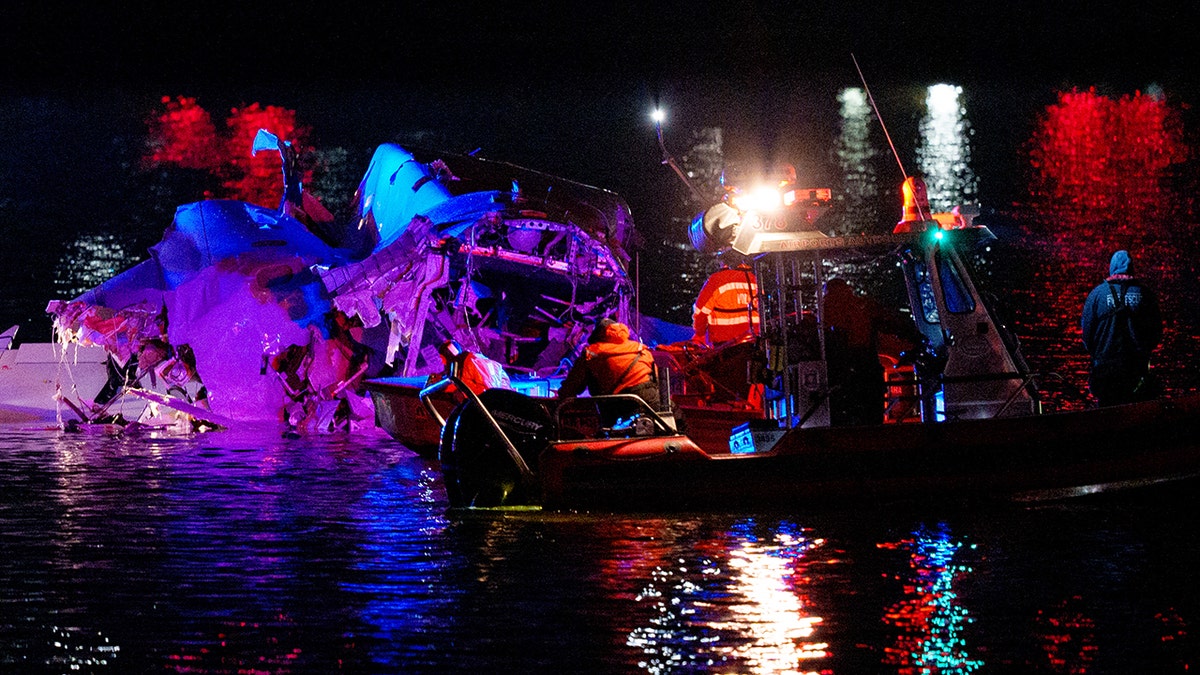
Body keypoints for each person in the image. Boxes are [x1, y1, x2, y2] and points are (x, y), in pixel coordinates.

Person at [821, 278, 917, 426]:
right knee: (871, 419)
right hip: (867, 369)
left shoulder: (826, 308)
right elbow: (889, 325)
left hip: (839, 373)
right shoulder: (863, 306)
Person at [1081, 249, 1162, 407]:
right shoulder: (1146, 295)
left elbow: (1087, 333)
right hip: (1136, 370)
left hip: (1105, 370)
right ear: (1131, 269)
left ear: (1111, 269)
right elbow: (1156, 332)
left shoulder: (1097, 295)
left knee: (1107, 411)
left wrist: (1097, 354)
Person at [558, 318, 660, 410]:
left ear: (597, 335)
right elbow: (656, 379)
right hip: (650, 401)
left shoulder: (592, 353)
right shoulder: (640, 348)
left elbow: (571, 386)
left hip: (618, 407)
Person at [692, 253, 759, 346]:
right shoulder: (754, 279)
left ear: (723, 263)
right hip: (753, 340)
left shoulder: (717, 280)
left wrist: (700, 334)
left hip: (726, 344)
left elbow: (700, 311)